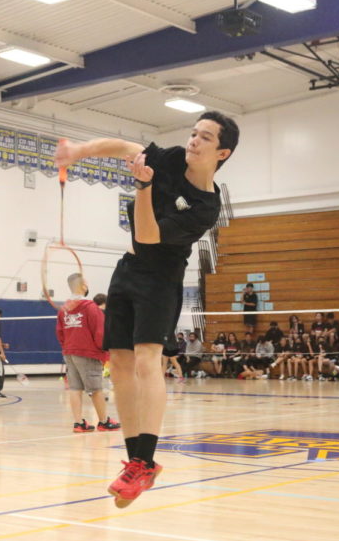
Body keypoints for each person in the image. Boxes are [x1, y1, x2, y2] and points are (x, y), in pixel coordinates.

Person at [55, 110, 239, 507]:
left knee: (146, 361)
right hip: (127, 271)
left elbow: (148, 234)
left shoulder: (206, 206)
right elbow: (125, 146)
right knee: (118, 364)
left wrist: (142, 188)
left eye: (204, 138)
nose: (193, 141)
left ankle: (146, 459)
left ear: (222, 152)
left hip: (161, 278)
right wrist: (79, 151)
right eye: (193, 133)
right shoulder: (171, 157)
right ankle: (135, 463)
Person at [55, 273, 121, 432]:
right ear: (83, 286)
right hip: (88, 353)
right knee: (96, 389)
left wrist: (68, 347)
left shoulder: (63, 309)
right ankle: (104, 421)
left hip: (69, 352)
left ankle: (79, 423)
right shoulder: (90, 307)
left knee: (75, 388)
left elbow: (59, 333)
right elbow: (100, 333)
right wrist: (104, 351)